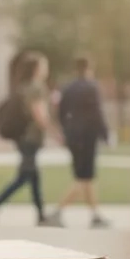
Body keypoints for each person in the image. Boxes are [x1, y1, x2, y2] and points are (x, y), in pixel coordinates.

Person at [0, 51, 53, 225]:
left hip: (22, 138)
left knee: (32, 175)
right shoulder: (36, 88)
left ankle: (41, 215)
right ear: (37, 69)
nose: (46, 69)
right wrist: (55, 133)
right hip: (31, 138)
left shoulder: (21, 87)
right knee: (25, 176)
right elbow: (39, 114)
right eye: (44, 65)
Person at [45, 57, 111, 228]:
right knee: (83, 178)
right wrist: (106, 135)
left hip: (73, 136)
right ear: (89, 68)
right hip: (88, 137)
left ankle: (95, 215)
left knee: (86, 177)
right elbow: (98, 113)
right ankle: (57, 212)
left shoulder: (67, 88)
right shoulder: (92, 87)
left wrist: (65, 131)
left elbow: (60, 112)